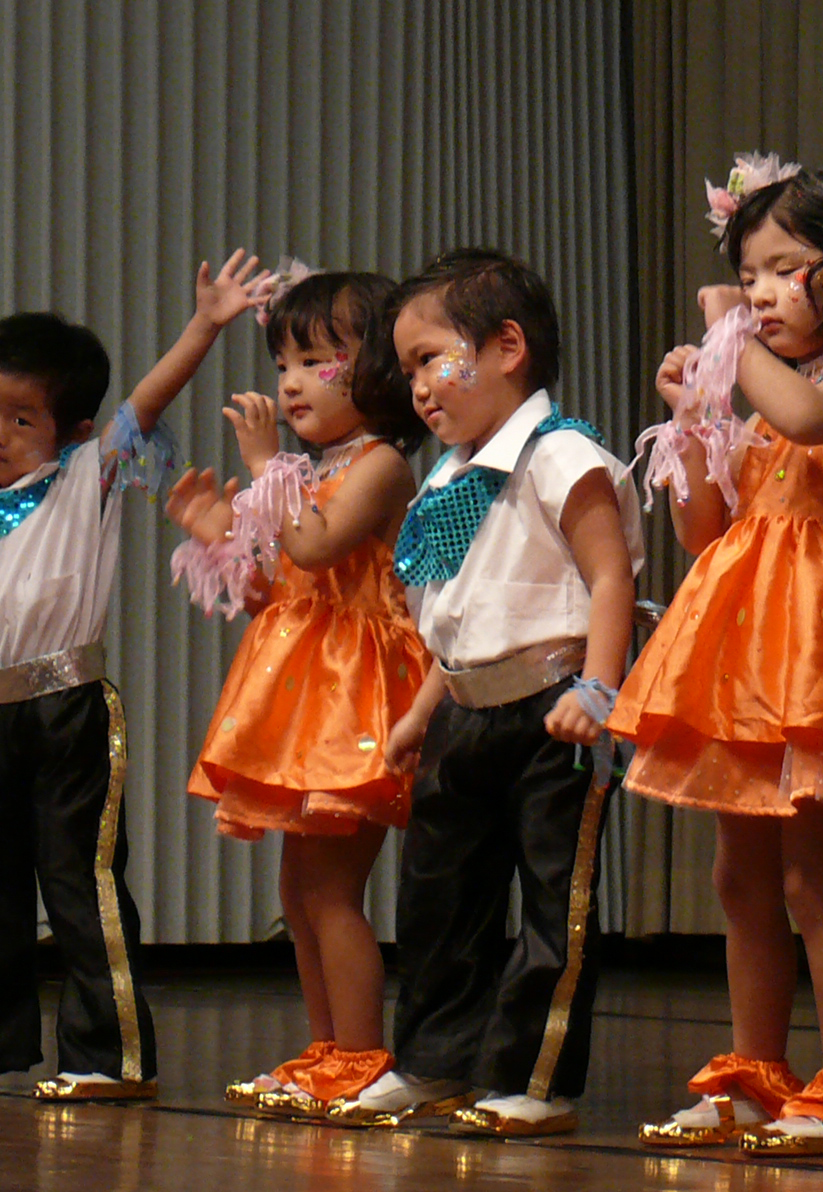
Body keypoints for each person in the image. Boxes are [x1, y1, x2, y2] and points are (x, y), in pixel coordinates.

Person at [613, 160, 823, 1157]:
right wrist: (694, 421)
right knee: (739, 878)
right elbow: (702, 531)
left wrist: (728, 339)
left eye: (782, 269)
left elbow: (810, 422)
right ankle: (753, 1073)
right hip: (747, 654)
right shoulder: (763, 389)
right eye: (747, 276)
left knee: (815, 883)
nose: (759, 293)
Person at [0, 249, 268, 1101]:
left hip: (67, 710)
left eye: (21, 419)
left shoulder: (86, 476)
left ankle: (108, 1056)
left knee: (81, 885)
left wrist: (205, 324)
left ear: (73, 431)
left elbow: (146, 402)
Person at [336, 248, 641, 1136]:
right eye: (408, 370)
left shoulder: (560, 454)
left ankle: (533, 1077)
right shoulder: (448, 476)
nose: (418, 387)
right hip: (464, 713)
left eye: (431, 359)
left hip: (553, 709)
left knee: (553, 902)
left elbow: (611, 579)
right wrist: (420, 712)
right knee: (441, 900)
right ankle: (434, 1060)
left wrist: (598, 690)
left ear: (507, 347)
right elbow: (459, 617)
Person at [166, 269, 427, 1118]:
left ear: (376, 368)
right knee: (297, 889)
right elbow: (277, 584)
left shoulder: (381, 464)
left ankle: (360, 1056)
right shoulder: (316, 469)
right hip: (308, 690)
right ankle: (325, 1048)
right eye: (284, 363)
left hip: (354, 695)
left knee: (330, 889)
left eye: (316, 361)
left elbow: (316, 549)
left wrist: (261, 467)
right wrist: (218, 531)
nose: (290, 382)